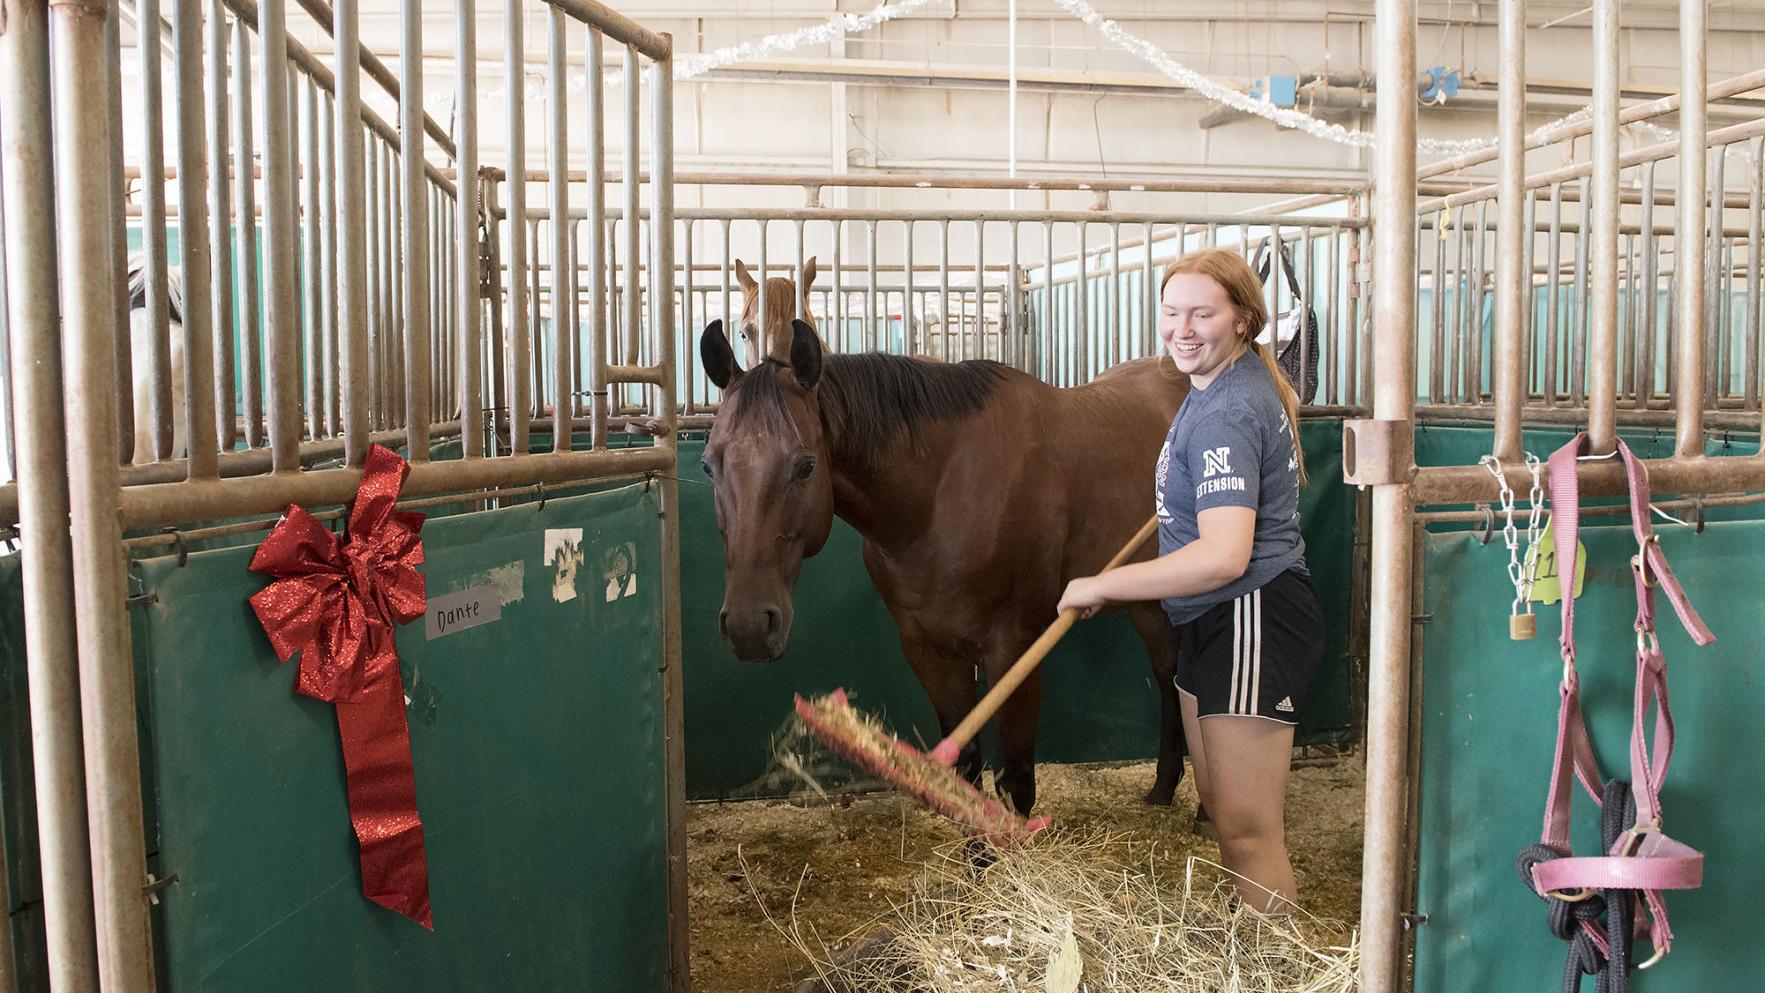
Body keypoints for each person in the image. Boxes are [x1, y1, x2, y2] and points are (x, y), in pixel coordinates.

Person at [1057, 246, 1323, 914]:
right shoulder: (1213, 390)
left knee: (1247, 830)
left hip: (1247, 613)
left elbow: (1224, 554)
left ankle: (1276, 966)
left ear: (1241, 318)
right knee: (1226, 821)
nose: (1182, 327)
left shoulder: (1225, 411)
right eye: (1171, 311)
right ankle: (1249, 952)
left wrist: (1102, 585)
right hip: (1207, 618)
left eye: (1201, 312)